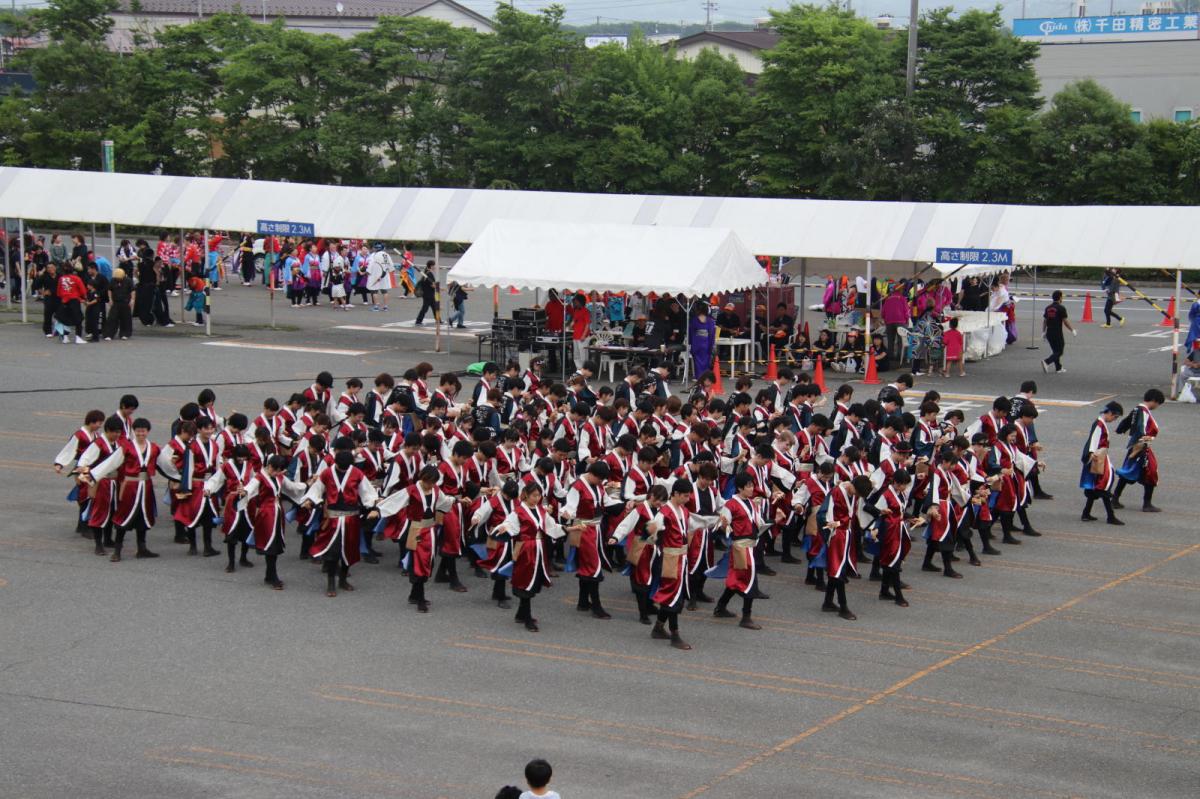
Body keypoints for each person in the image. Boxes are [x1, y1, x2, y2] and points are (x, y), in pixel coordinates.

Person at [1113, 389, 1163, 513]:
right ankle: (1147, 504)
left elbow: (1126, 422)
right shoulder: (1143, 411)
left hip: (1135, 446)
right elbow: (1141, 429)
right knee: (1151, 473)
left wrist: (1120, 429)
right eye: (1158, 404)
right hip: (1141, 446)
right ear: (1154, 401)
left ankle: (1114, 498)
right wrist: (1139, 445)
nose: (1157, 407)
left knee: (1128, 472)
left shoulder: (1137, 409)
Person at [1080, 401, 1123, 526]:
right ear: (1109, 413)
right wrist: (1092, 453)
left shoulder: (1100, 423)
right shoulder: (1099, 424)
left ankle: (1086, 513)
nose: (1114, 419)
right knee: (1103, 486)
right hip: (1098, 457)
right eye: (1115, 417)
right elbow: (1094, 439)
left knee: (1097, 486)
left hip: (1099, 456)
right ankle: (1110, 516)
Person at [1041, 290, 1075, 374]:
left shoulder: (1048, 308)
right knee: (1059, 351)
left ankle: (1058, 368)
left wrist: (1043, 332)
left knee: (1055, 351)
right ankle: (1046, 362)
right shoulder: (1061, 308)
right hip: (1057, 332)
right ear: (1060, 297)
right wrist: (1072, 330)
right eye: (1062, 296)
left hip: (1049, 332)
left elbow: (1045, 320)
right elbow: (1065, 321)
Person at [881, 287, 910, 364]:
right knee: (901, 340)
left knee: (890, 340)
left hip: (889, 322)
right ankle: (900, 357)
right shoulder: (902, 298)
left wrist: (885, 319)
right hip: (901, 321)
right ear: (901, 290)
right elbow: (906, 311)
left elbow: (883, 312)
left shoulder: (888, 299)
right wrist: (907, 320)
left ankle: (890, 356)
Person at [105, 267, 134, 341]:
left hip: (125, 301)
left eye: (119, 278)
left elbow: (132, 290)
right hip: (115, 301)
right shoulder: (113, 280)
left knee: (125, 318)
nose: (118, 279)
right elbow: (109, 290)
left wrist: (132, 299)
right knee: (112, 318)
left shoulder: (128, 281)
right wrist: (110, 299)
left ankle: (125, 334)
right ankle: (109, 334)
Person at [688, 303, 716, 374]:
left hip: (696, 344)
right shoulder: (711, 321)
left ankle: (699, 378)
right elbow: (712, 335)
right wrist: (711, 345)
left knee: (697, 364)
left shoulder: (693, 320)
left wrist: (690, 343)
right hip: (706, 344)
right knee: (706, 363)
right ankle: (705, 378)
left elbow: (690, 334)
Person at [366, 243, 393, 311]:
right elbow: (391, 265)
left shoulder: (374, 255)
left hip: (376, 275)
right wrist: (390, 270)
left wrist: (368, 272)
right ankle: (385, 306)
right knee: (384, 291)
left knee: (375, 291)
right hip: (385, 275)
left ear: (376, 248)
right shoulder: (386, 255)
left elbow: (371, 265)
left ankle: (376, 307)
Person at [414, 260, 439, 325]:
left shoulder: (426, 272)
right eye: (434, 265)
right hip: (428, 294)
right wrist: (439, 288)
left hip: (428, 293)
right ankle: (418, 321)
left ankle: (438, 319)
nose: (435, 267)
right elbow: (432, 284)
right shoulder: (429, 274)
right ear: (431, 266)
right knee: (425, 308)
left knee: (434, 307)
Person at [570, 294, 590, 371]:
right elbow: (574, 321)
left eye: (575, 301)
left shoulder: (586, 311)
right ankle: (579, 370)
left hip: (582, 337)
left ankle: (584, 371)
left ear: (580, 302)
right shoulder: (576, 310)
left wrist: (583, 335)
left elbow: (587, 325)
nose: (574, 303)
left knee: (583, 355)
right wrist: (570, 326)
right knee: (576, 355)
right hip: (575, 336)